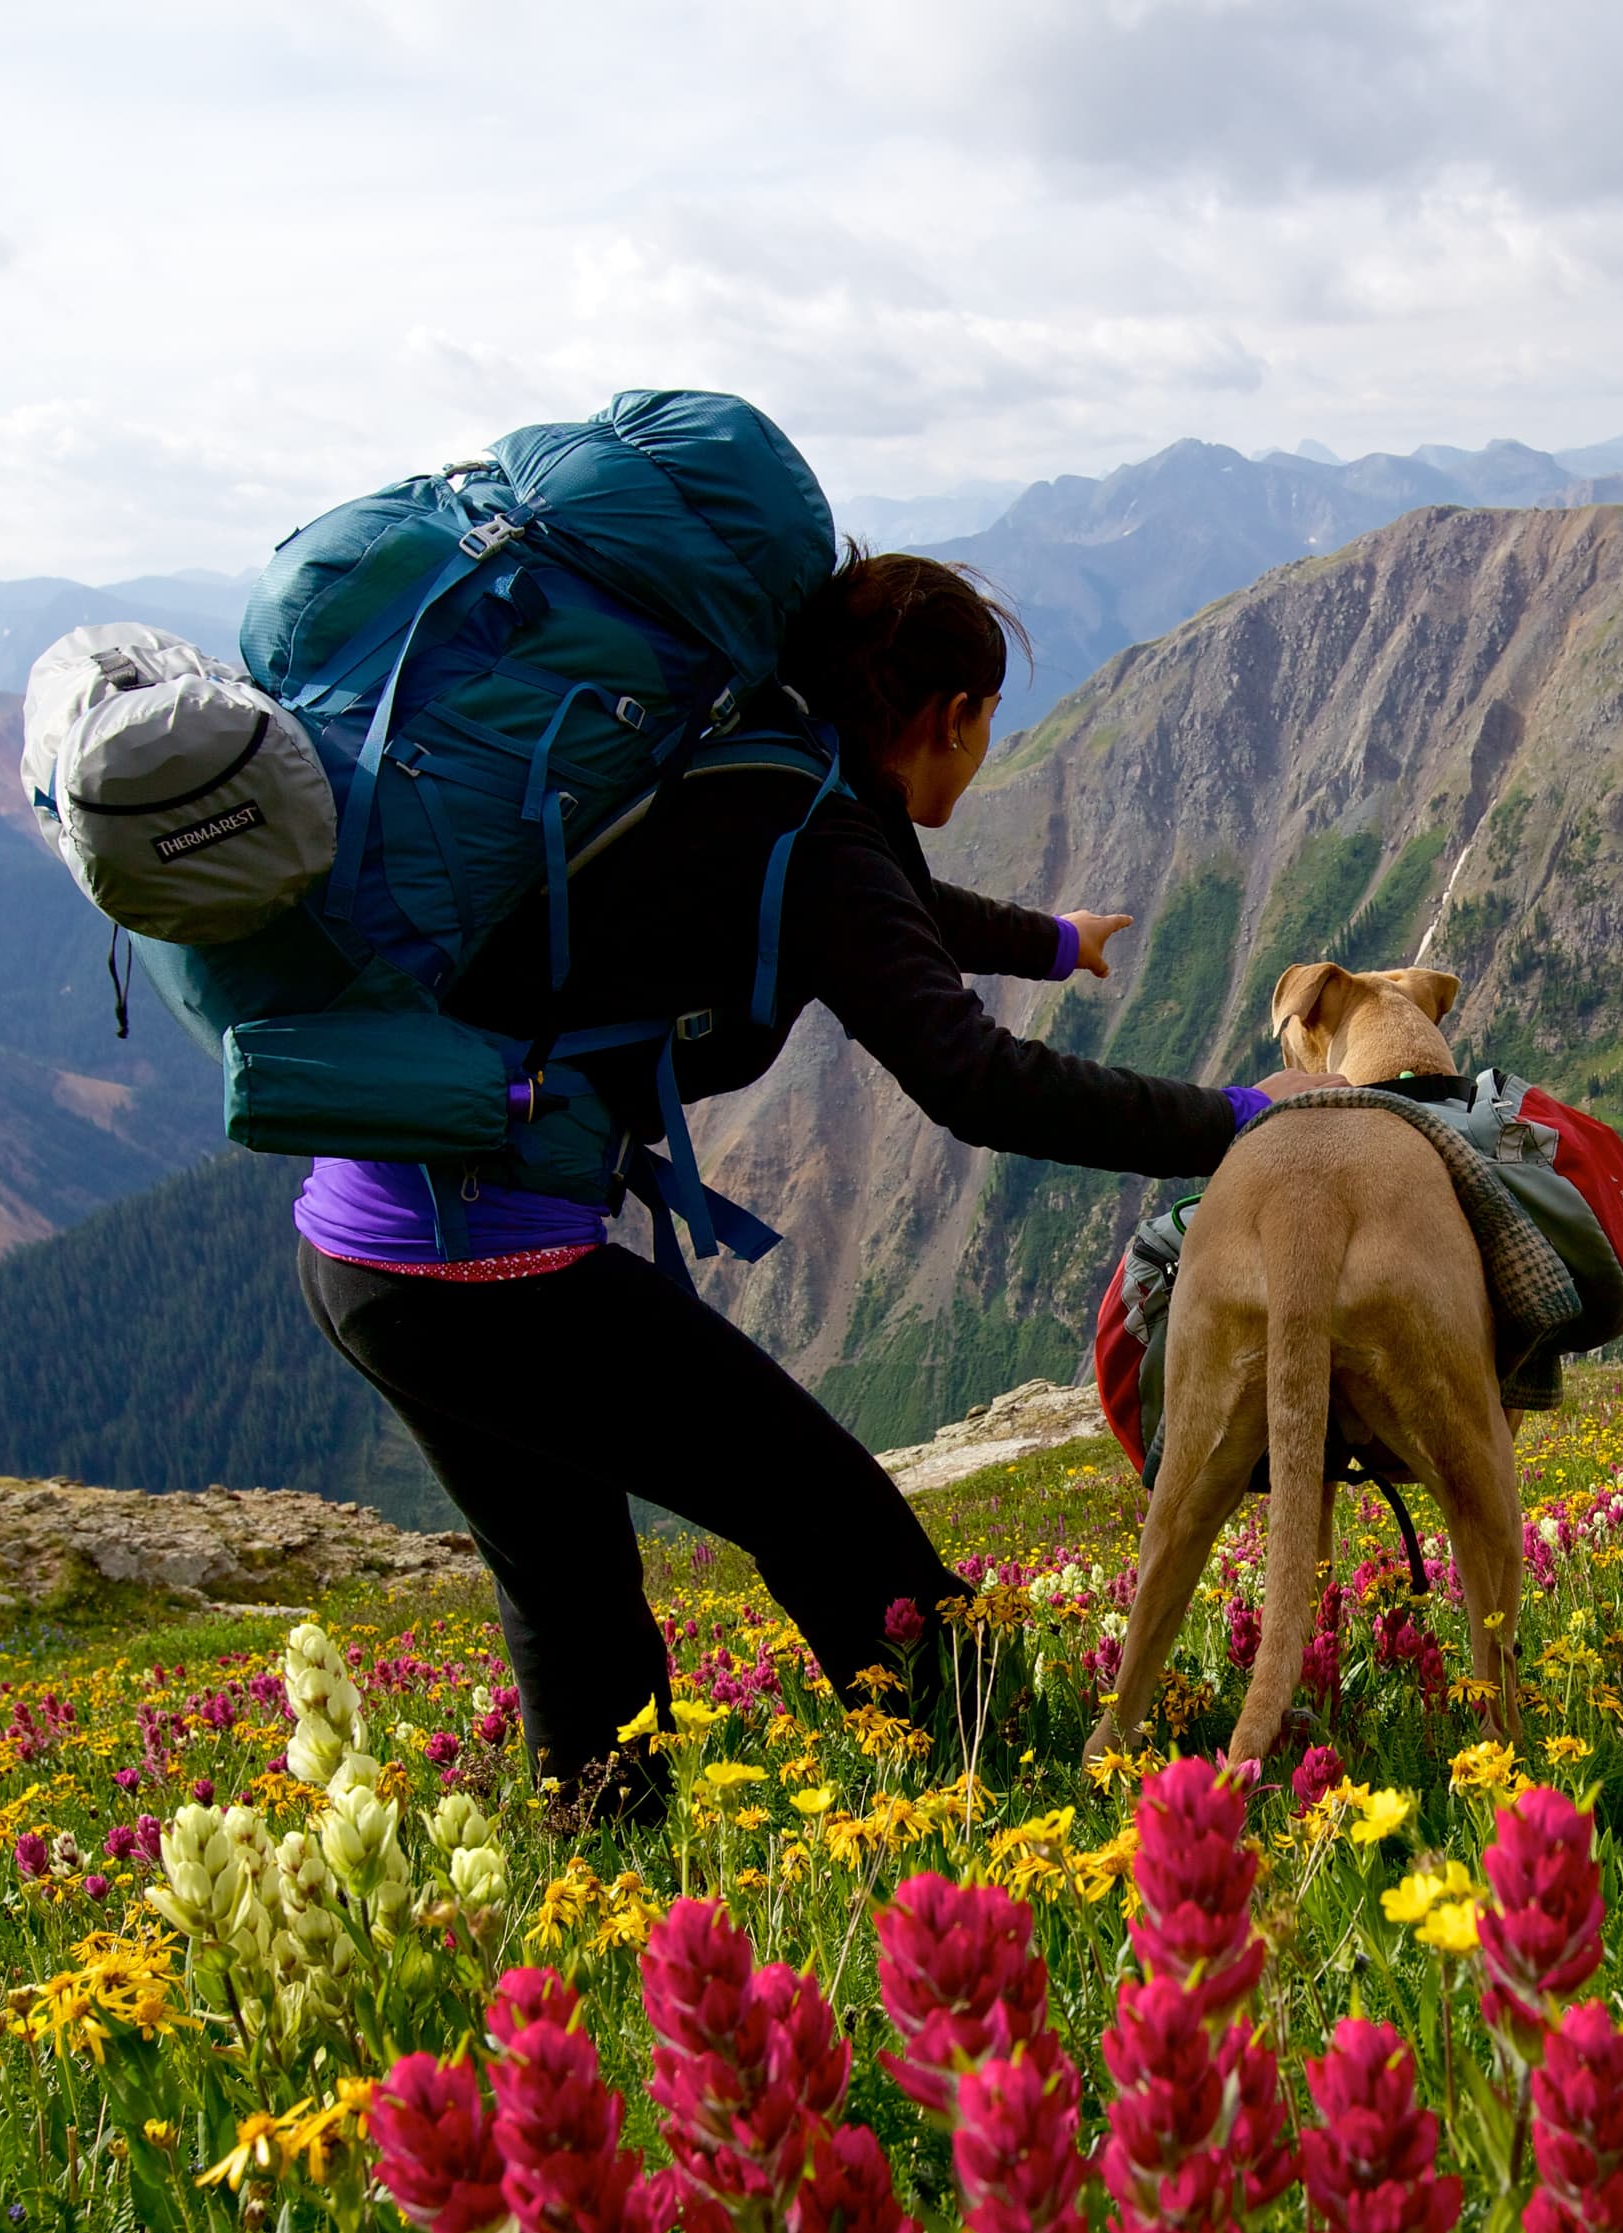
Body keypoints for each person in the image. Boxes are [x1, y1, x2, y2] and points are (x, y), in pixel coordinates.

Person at [294, 549, 1327, 1816]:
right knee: (843, 1532)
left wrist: (1050, 942)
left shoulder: (765, 762)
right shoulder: (812, 820)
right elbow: (977, 1082)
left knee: (568, 1591)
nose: (988, 743)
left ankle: (597, 1883)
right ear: (951, 716)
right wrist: (1235, 1120)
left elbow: (874, 899)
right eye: (989, 720)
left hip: (364, 1243)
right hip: (487, 1271)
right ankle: (1017, 1811)